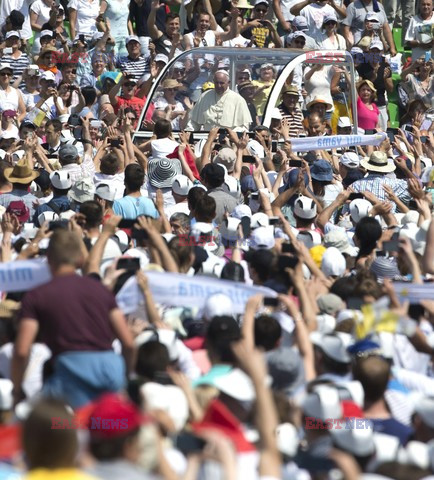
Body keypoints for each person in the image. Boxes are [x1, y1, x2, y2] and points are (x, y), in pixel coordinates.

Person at [12, 226, 135, 408]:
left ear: (48, 259)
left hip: (68, 379)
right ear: (80, 259)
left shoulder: (36, 296)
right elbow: (129, 343)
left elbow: (22, 351)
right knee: (107, 426)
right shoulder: (101, 290)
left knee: (52, 426)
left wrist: (17, 391)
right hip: (112, 374)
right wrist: (124, 380)